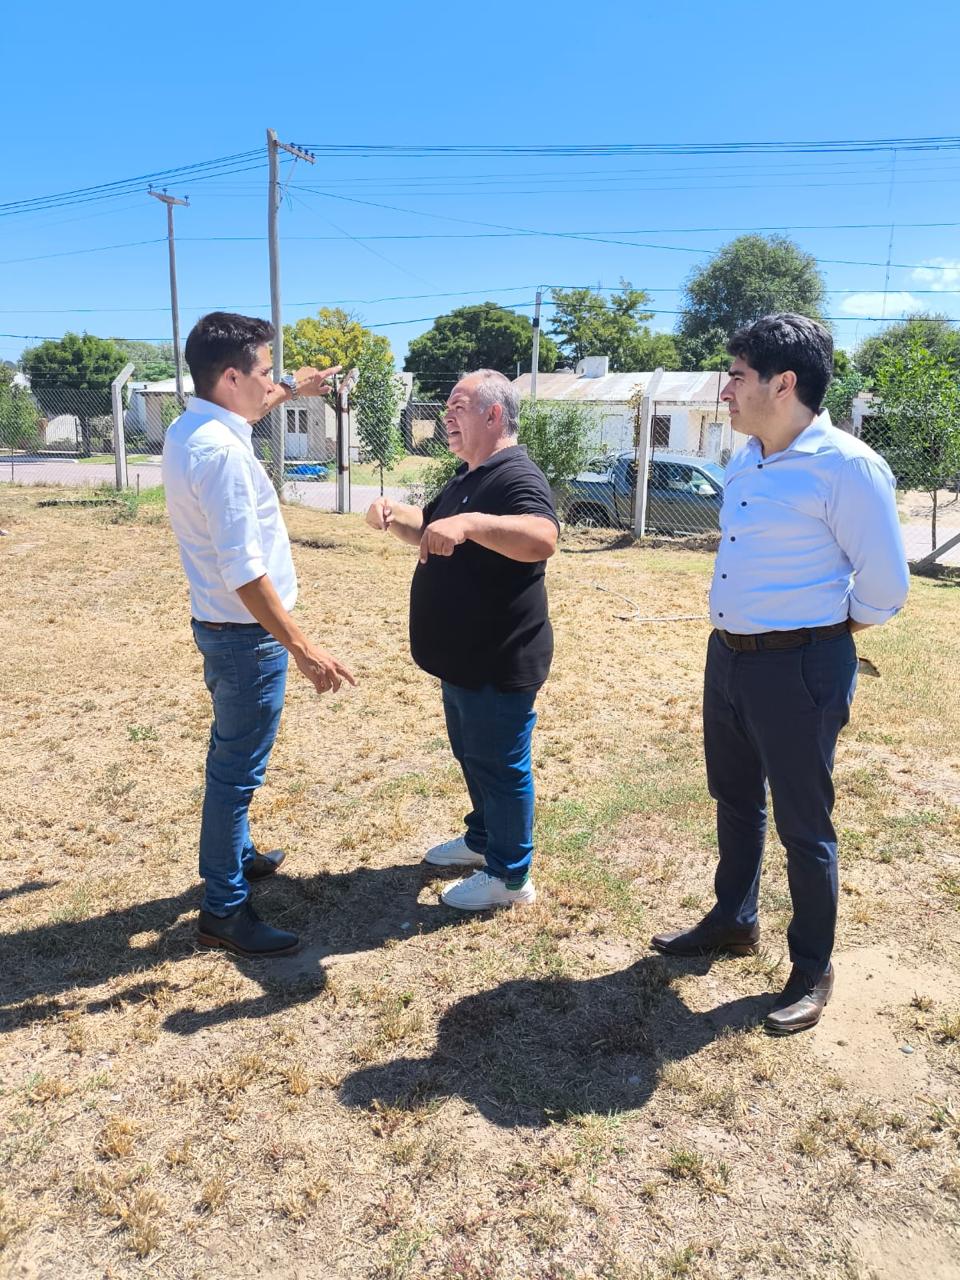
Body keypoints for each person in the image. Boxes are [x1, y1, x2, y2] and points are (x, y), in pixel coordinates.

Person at [651, 313, 910, 1033]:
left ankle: (811, 965)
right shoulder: (748, 459)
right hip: (729, 658)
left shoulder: (847, 466)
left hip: (800, 666)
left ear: (783, 382)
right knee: (734, 799)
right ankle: (734, 919)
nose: (724, 391)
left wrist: (819, 634)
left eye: (736, 376)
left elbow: (885, 587)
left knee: (804, 822)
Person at [162, 311, 355, 958]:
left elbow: (261, 397)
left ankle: (236, 857)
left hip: (219, 627)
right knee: (236, 774)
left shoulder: (193, 425)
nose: (271, 383)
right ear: (230, 376)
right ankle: (223, 910)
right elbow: (248, 573)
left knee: (230, 752)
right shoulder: (224, 458)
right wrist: (304, 648)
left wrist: (295, 387)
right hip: (248, 638)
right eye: (265, 373)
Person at [366, 370, 558, 910]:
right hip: (464, 660)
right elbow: (429, 529)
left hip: (499, 659)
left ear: (494, 415)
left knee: (500, 762)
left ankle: (510, 877)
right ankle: (482, 840)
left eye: (459, 405)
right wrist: (391, 516)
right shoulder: (467, 475)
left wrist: (472, 523)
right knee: (474, 756)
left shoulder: (516, 475)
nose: (447, 415)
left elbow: (543, 538)